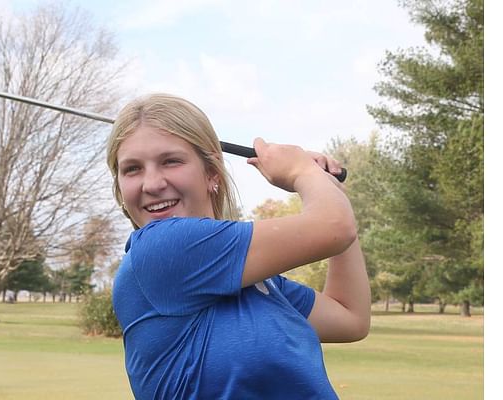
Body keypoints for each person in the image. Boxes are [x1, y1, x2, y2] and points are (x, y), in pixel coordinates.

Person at [106, 93, 370, 399]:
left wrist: (329, 187)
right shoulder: (160, 249)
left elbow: (350, 318)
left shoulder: (257, 284)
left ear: (212, 173)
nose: (151, 184)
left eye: (171, 161)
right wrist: (303, 173)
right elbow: (335, 227)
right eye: (132, 169)